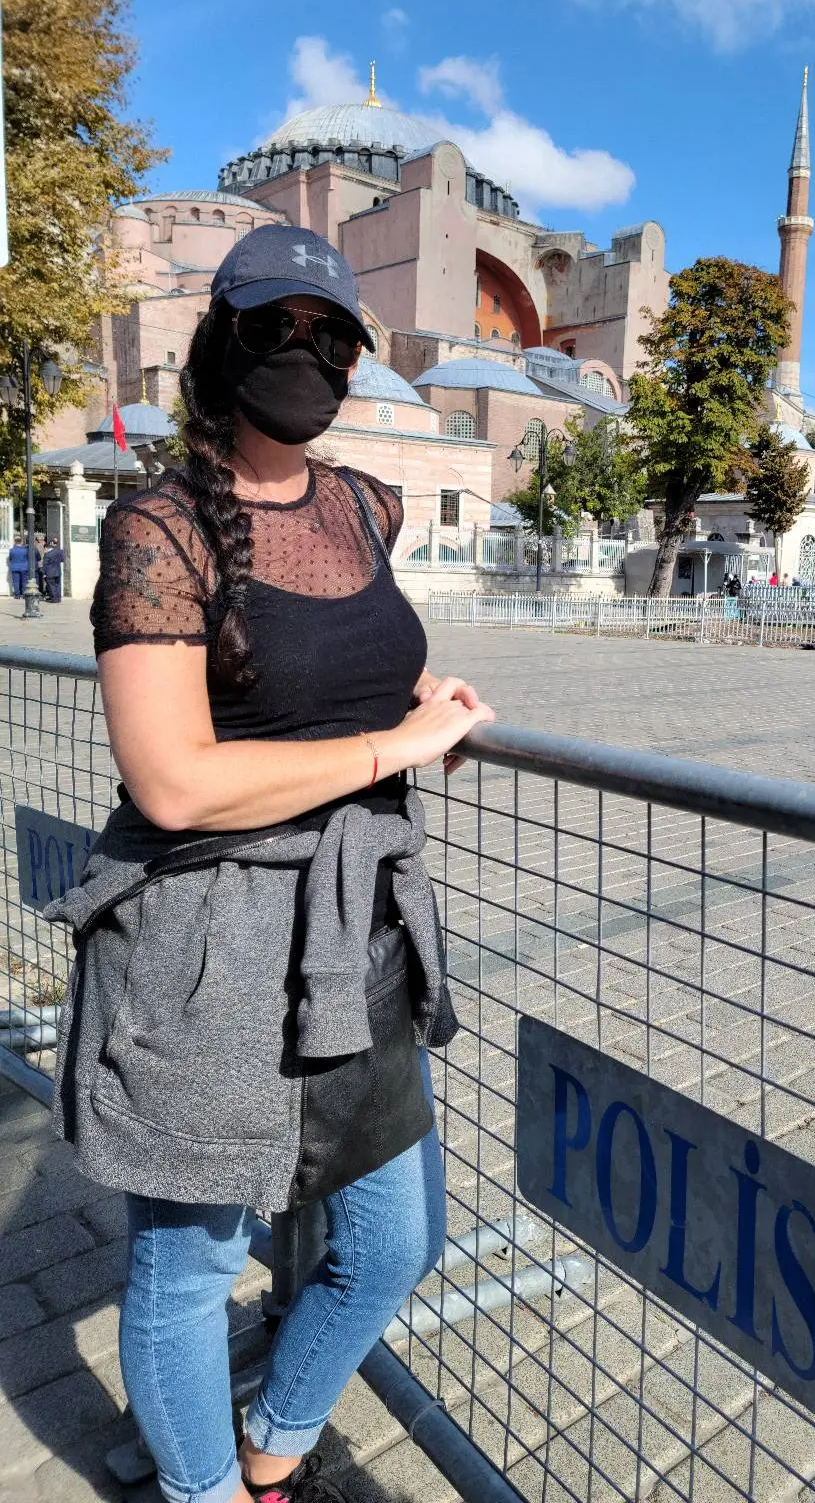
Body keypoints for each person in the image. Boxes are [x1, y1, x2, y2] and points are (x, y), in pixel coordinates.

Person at [45, 225, 495, 1503]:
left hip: (353, 930)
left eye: (334, 334)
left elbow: (339, 660)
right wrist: (389, 744)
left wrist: (423, 691)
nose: (307, 354)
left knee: (396, 1237)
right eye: (274, 326)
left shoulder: (364, 503)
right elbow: (175, 778)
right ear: (218, 344)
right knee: (190, 1264)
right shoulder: (158, 528)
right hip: (203, 939)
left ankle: (268, 1452)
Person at [41, 536, 64, 603]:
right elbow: (62, 560)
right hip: (58, 571)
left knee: (51, 586)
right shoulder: (60, 551)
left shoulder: (47, 555)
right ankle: (58, 598)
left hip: (50, 572)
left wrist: (43, 573)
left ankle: (54, 599)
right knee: (57, 585)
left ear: (46, 548)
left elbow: (45, 565)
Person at [7, 534, 28, 598]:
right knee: (24, 581)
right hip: (24, 567)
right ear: (21, 542)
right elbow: (27, 557)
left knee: (16, 581)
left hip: (15, 567)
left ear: (15, 542)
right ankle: (24, 594)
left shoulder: (12, 550)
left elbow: (10, 558)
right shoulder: (25, 550)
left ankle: (17, 595)